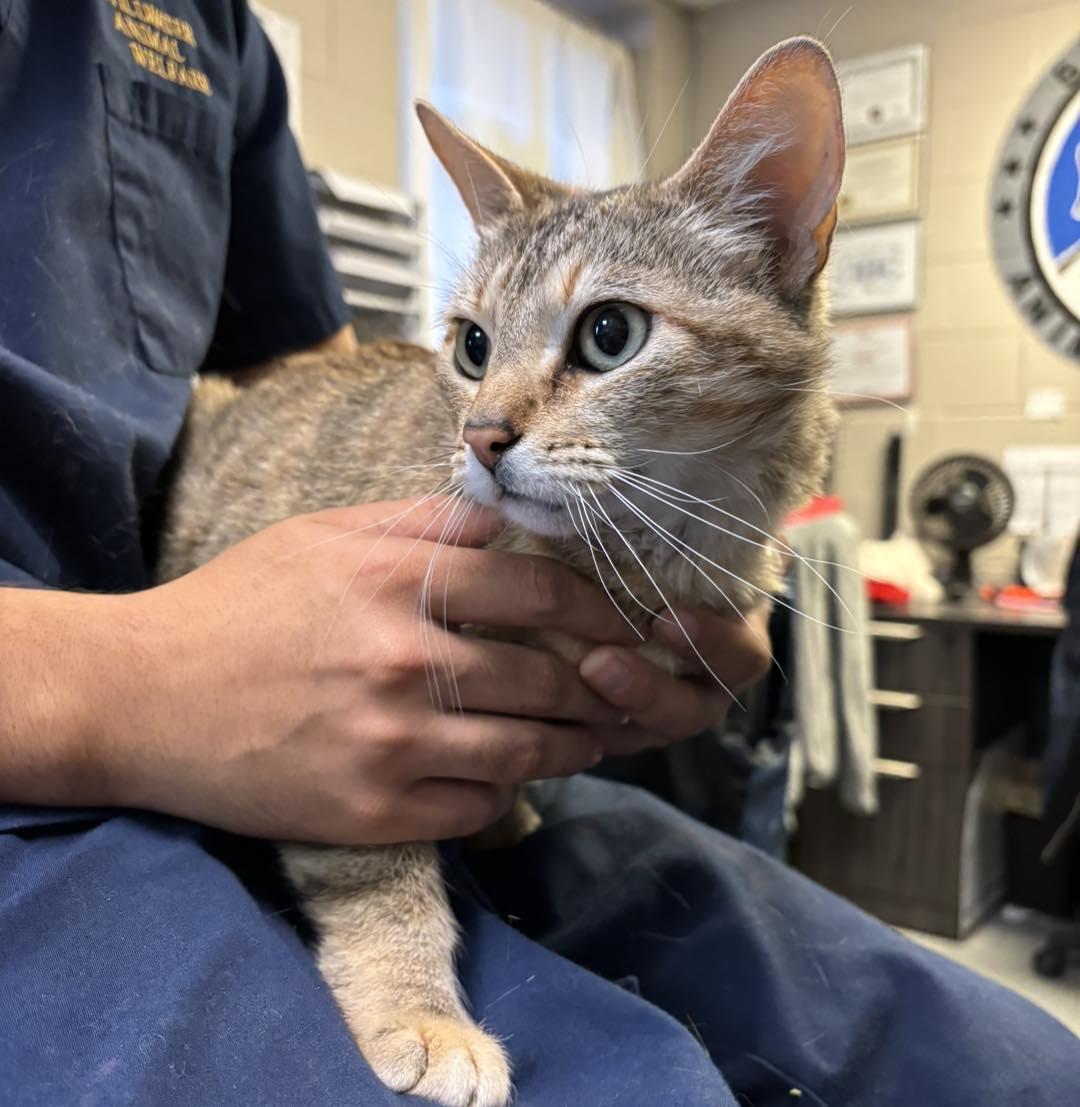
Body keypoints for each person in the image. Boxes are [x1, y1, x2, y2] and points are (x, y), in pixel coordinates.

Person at [1, 5, 1077, 1106]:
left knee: (1022, 1072)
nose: (491, 424)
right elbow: (327, 638)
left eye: (606, 334)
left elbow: (293, 361)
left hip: (458, 791)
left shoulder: (213, 29)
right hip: (65, 757)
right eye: (475, 348)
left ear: (774, 244)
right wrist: (393, 957)